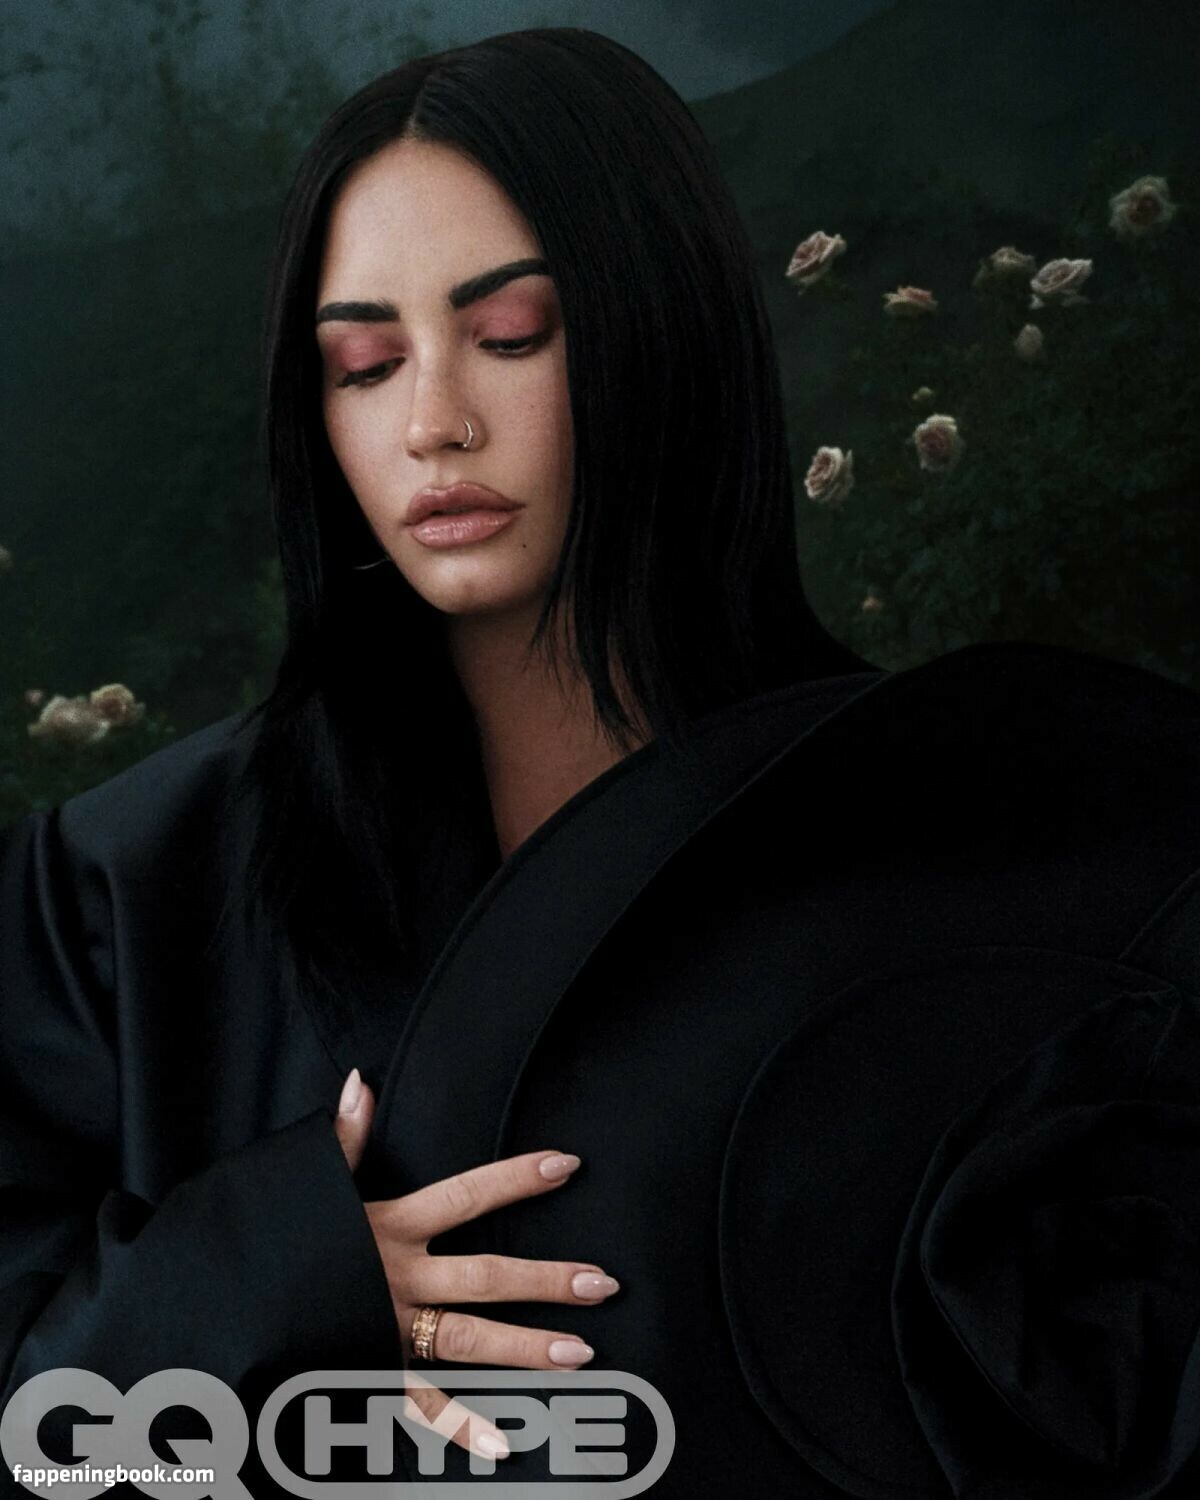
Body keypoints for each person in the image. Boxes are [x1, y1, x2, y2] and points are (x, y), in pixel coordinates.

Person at [2, 26, 1199, 1498]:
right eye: (365, 363)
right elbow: (30, 1428)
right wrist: (285, 1272)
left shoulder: (955, 822)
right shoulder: (124, 892)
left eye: (510, 335)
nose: (433, 422)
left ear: (661, 330)